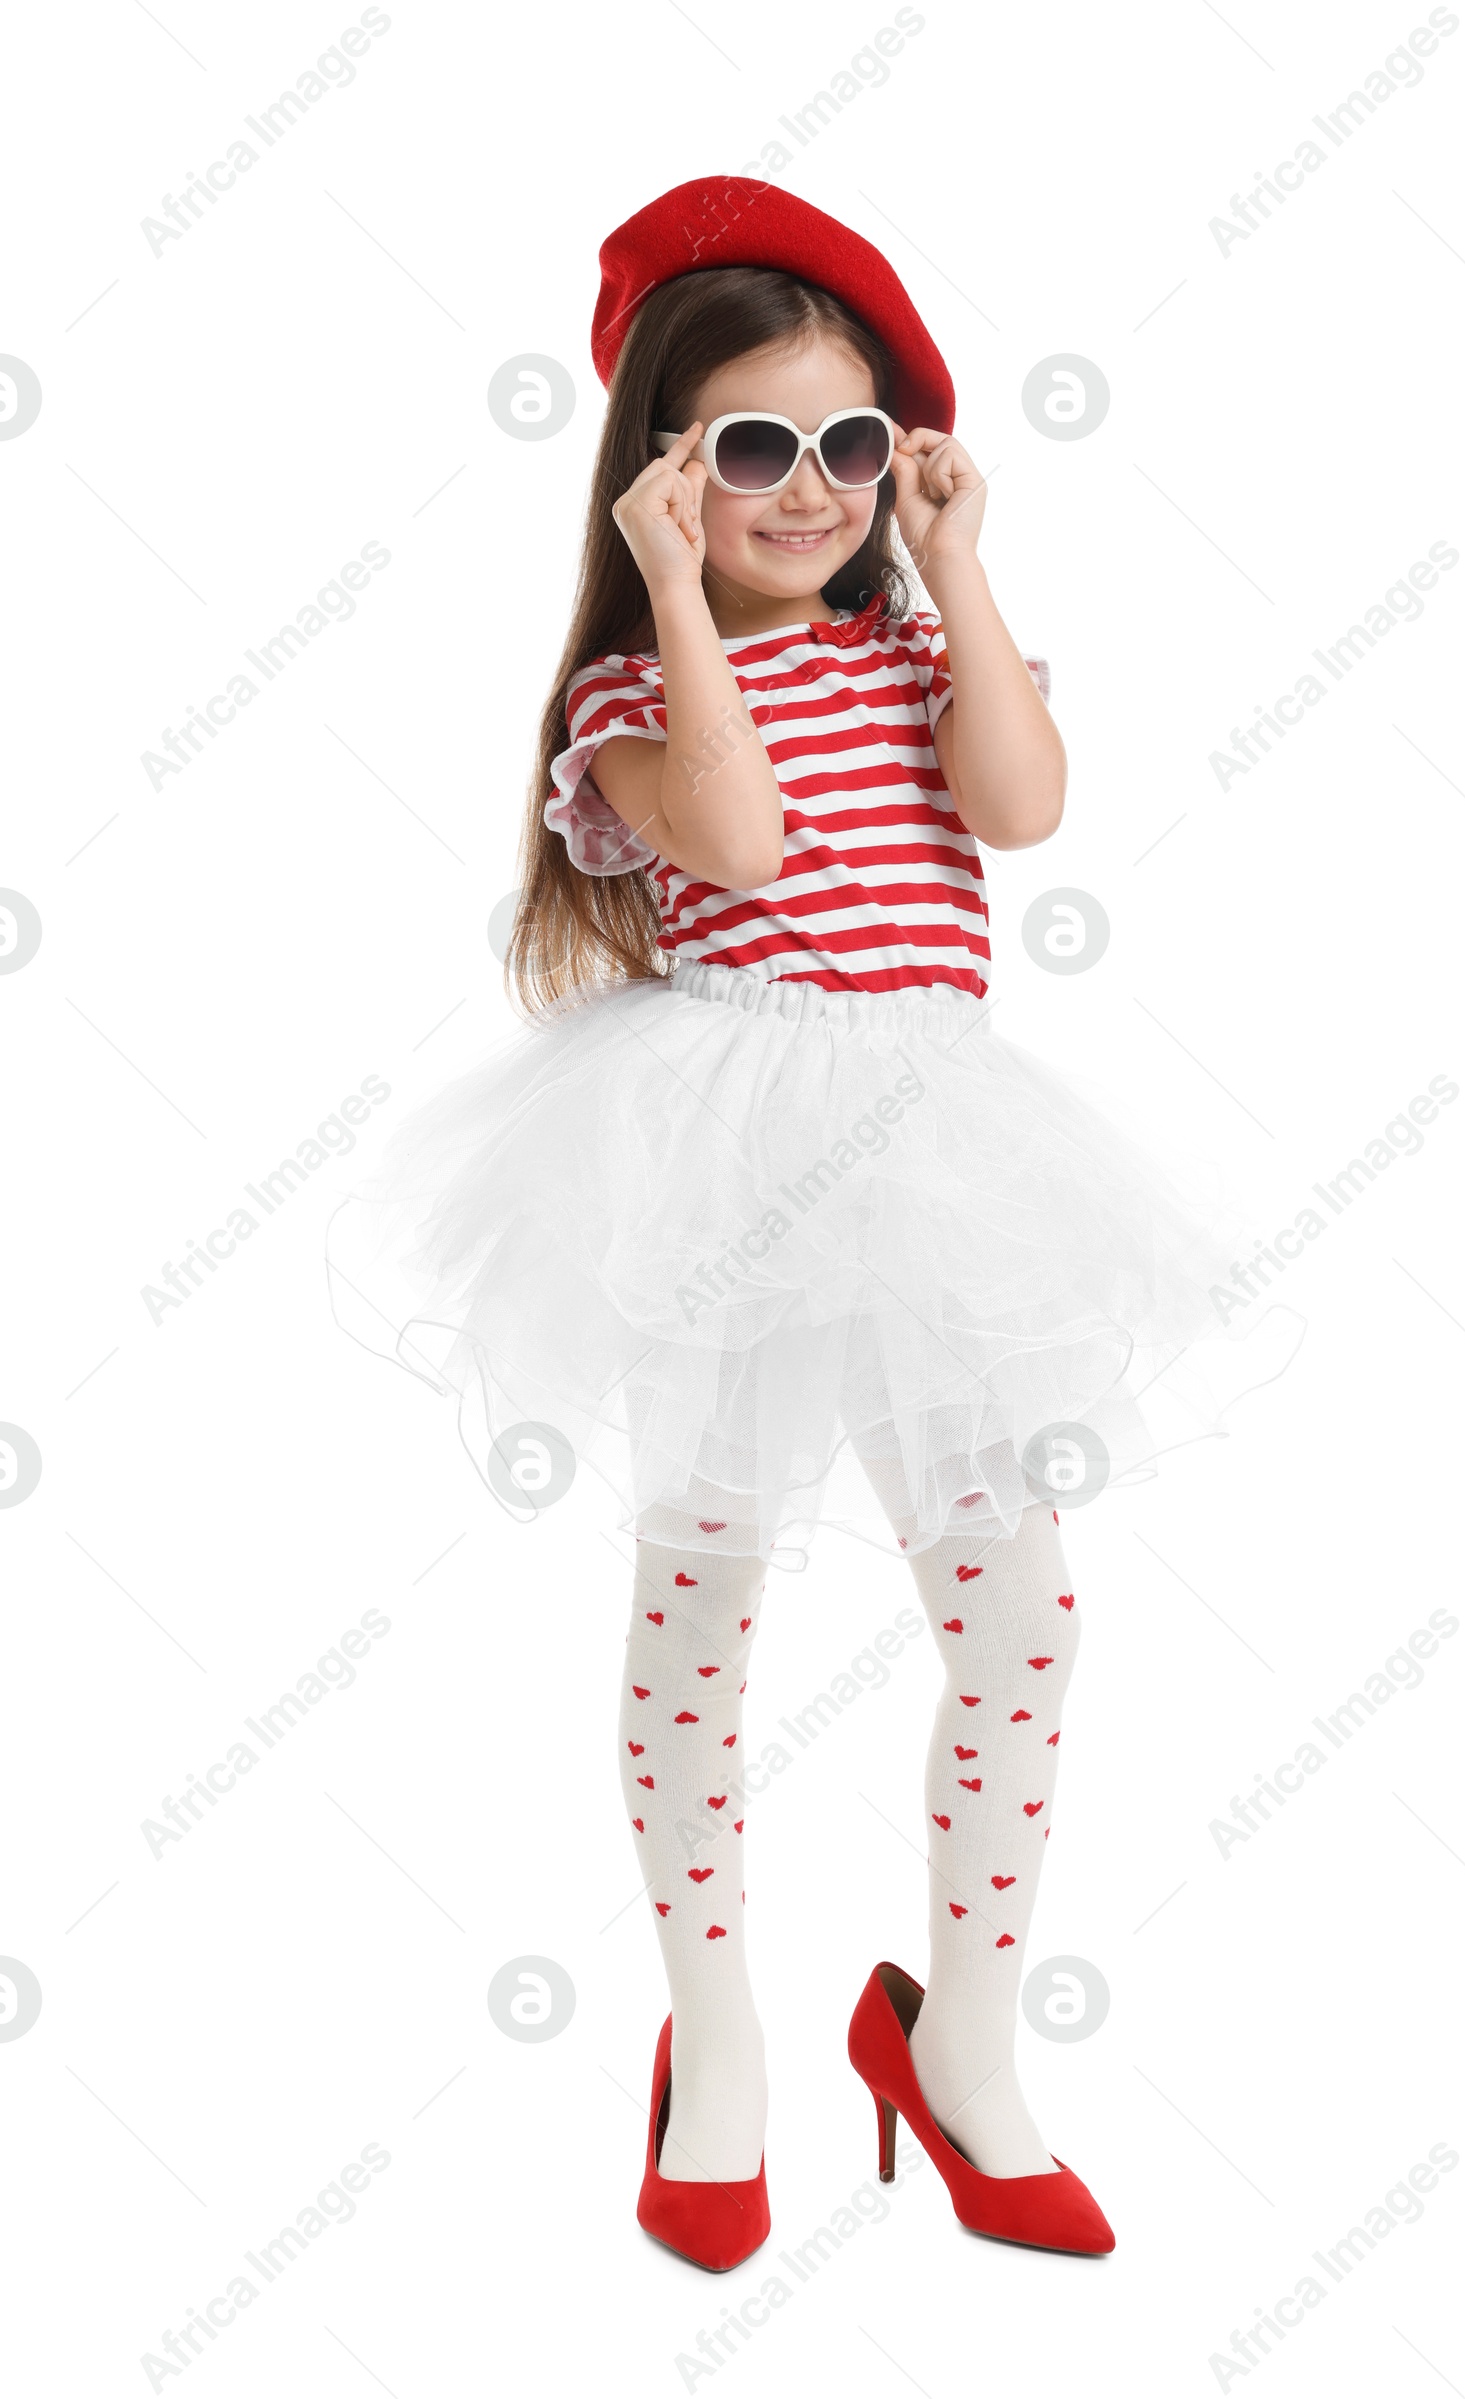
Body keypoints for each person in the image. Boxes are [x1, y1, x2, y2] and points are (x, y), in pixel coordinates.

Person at [328, 174, 1297, 2270]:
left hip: (936, 1160)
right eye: (751, 447)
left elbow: (1022, 809)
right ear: (667, 469)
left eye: (848, 445)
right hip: (711, 1156)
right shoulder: (627, 709)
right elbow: (745, 847)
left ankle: (958, 2046)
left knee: (1021, 1612)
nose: (810, 488)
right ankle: (716, 2043)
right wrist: (670, 593)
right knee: (705, 1599)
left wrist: (956, 561)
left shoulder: (919, 636)